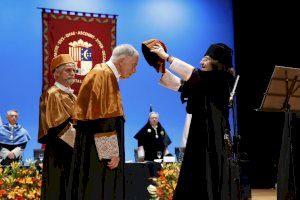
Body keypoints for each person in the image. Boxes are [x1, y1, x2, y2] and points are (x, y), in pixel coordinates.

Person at [149, 42, 238, 199]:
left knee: (212, 172)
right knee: (194, 170)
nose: (201, 62)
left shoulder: (224, 78)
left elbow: (193, 75)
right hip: (200, 132)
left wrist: (167, 58)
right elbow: (183, 86)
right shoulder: (203, 80)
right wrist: (162, 68)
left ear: (217, 62)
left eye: (206, 59)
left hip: (214, 135)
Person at [67, 44, 139, 200]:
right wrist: (111, 152)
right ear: (122, 60)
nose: (135, 70)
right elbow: (103, 118)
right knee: (99, 190)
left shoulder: (105, 74)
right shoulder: (103, 74)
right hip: (99, 153)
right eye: (133, 65)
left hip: (98, 148)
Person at [38, 54, 77, 200]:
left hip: (71, 153)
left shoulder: (73, 96)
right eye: (68, 70)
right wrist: (82, 144)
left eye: (74, 70)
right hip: (59, 153)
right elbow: (59, 127)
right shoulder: (52, 94)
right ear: (56, 73)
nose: (72, 74)